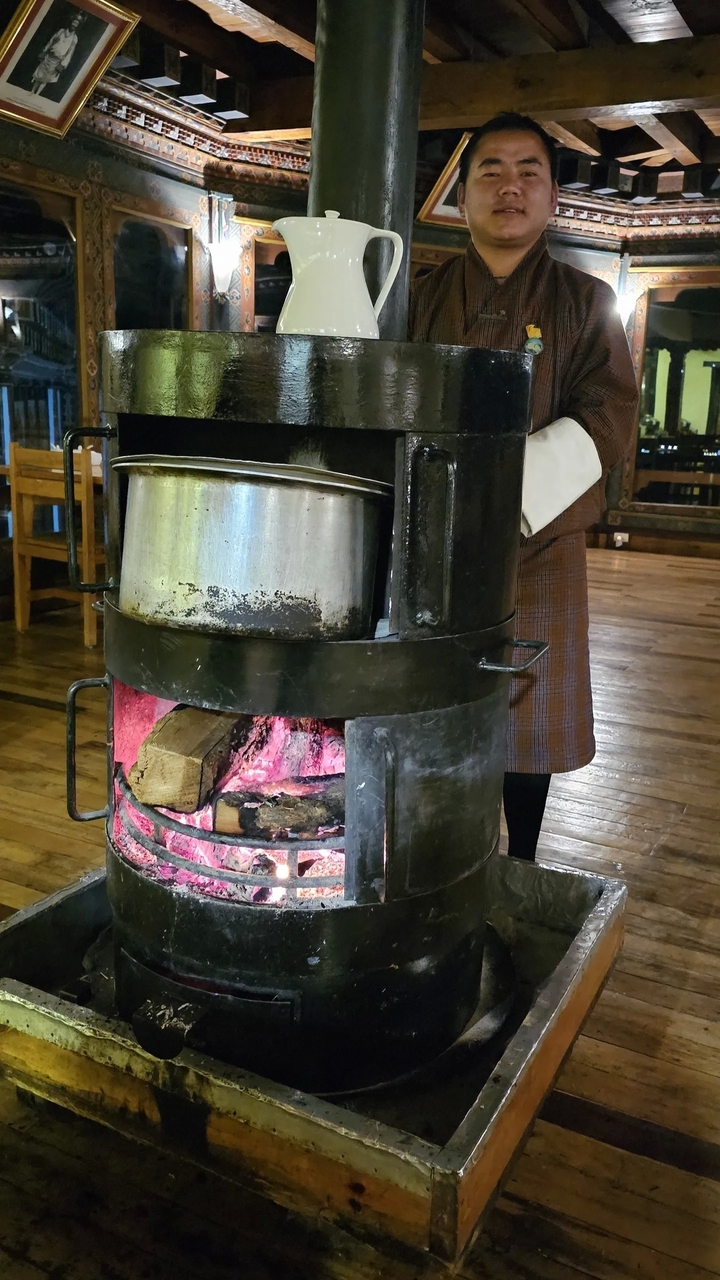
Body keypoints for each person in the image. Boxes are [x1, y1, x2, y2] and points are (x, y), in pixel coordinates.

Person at [409, 113, 639, 861]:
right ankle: (443, 852)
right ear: (463, 196)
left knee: (528, 719)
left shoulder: (587, 298)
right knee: (433, 704)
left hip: (539, 543)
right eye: (491, 171)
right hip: (429, 540)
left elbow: (609, 410)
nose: (510, 187)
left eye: (529, 171)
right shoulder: (419, 296)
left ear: (552, 196)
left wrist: (513, 499)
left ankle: (522, 860)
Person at [29, 12, 83, 96]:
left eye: (76, 23)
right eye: (73, 22)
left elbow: (70, 53)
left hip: (57, 61)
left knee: (47, 78)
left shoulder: (74, 38)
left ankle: (37, 94)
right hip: (49, 56)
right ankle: (32, 91)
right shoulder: (61, 31)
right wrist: (44, 51)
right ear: (71, 22)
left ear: (78, 26)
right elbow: (51, 41)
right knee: (39, 75)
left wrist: (63, 64)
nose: (74, 24)